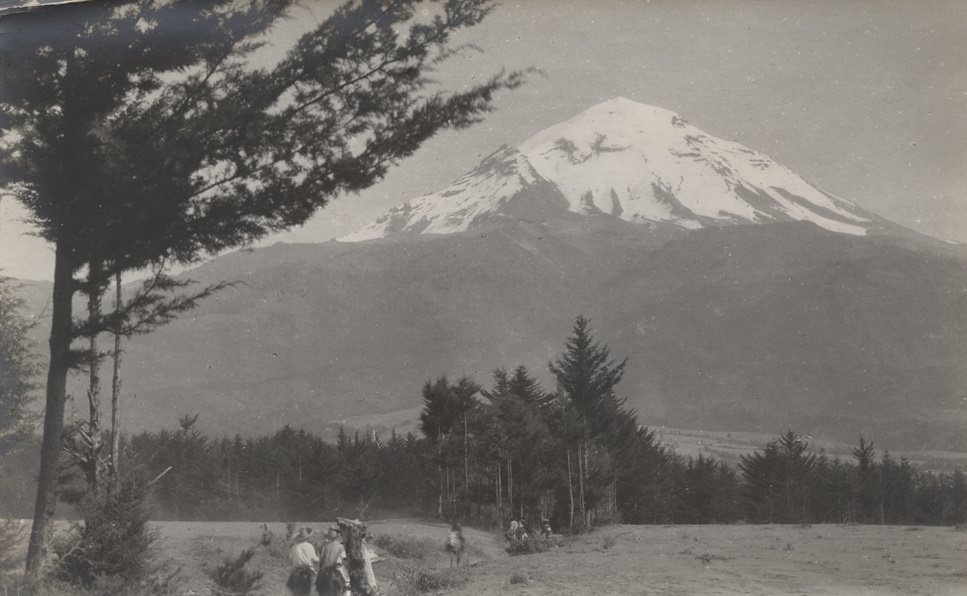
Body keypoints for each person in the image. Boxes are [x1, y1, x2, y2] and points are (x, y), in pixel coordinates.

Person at [317, 525, 351, 596]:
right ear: (338, 535)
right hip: (335, 569)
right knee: (347, 582)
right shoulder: (340, 546)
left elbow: (319, 559)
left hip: (323, 570)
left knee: (315, 587)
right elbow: (344, 558)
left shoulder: (323, 545)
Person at [286, 527, 319, 596]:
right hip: (309, 568)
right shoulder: (309, 546)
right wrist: (318, 559)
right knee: (318, 585)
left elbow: (290, 558)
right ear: (307, 537)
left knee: (289, 587)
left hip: (297, 569)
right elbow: (314, 559)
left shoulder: (294, 546)